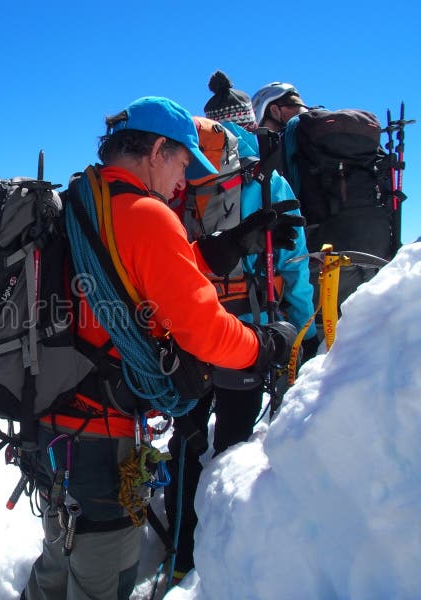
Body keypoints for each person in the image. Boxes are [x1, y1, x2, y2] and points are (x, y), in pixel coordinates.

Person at [23, 96, 299, 600]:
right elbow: (204, 332)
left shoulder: (85, 200)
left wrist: (231, 242)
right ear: (155, 149)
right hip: (100, 433)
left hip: (48, 421)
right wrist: (263, 346)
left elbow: (142, 267)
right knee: (103, 572)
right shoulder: (147, 215)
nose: (185, 179)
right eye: (183, 162)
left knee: (58, 559)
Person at [162, 73, 316, 585]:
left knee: (186, 441)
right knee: (233, 444)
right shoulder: (272, 183)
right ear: (250, 125)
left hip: (189, 335)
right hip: (250, 336)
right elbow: (292, 266)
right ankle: (220, 562)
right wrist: (297, 328)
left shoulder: (183, 185)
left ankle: (179, 552)